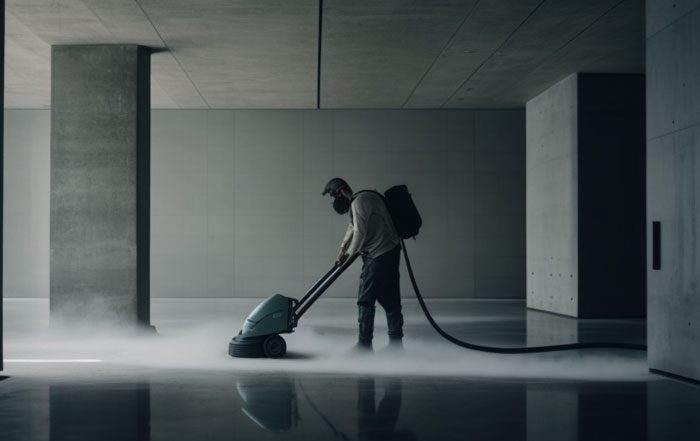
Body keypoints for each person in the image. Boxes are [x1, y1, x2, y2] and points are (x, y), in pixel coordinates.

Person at [322, 177, 404, 350]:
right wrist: (342, 251)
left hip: (379, 254)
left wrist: (350, 255)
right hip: (389, 251)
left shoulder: (360, 202)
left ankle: (364, 345)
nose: (335, 201)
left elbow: (359, 232)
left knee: (365, 299)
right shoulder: (359, 201)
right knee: (389, 297)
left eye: (335, 196)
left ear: (343, 190)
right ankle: (396, 343)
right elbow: (352, 227)